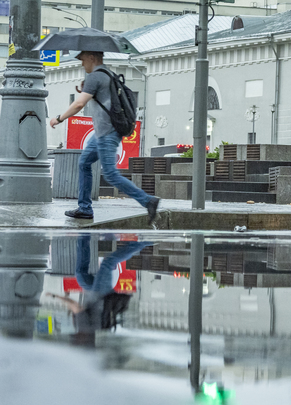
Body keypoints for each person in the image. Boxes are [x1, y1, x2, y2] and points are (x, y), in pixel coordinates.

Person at [50, 51, 160, 223]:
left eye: (83, 59)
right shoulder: (107, 74)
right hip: (103, 132)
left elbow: (79, 104)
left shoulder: (96, 77)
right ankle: (84, 208)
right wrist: (86, 89)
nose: (81, 64)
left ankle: (148, 200)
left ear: (92, 58)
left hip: (107, 132)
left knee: (110, 174)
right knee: (84, 163)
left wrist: (58, 118)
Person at [46, 235, 152, 346]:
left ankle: (84, 238)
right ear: (83, 339)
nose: (74, 336)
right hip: (101, 293)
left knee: (80, 274)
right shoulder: (85, 327)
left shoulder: (94, 329)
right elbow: (75, 306)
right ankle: (141, 244)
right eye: (76, 339)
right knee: (108, 263)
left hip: (94, 292)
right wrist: (55, 296)